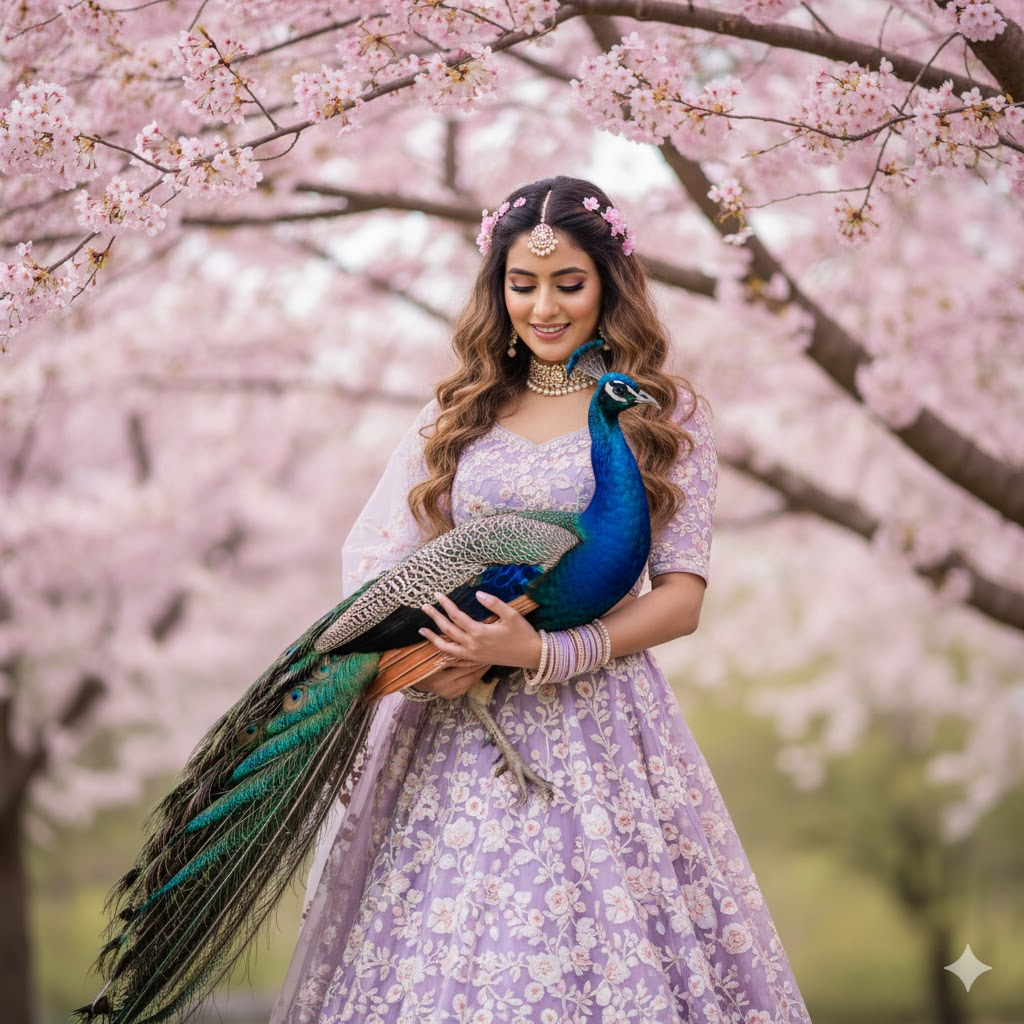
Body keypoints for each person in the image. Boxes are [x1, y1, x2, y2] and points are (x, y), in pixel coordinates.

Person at [272, 176, 811, 1023]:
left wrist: (545, 653)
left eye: (569, 283)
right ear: (498, 287)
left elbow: (680, 598)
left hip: (599, 725)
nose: (545, 308)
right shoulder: (458, 412)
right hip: (451, 720)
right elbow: (389, 562)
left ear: (609, 283)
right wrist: (432, 664)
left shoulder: (663, 414)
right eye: (522, 284)